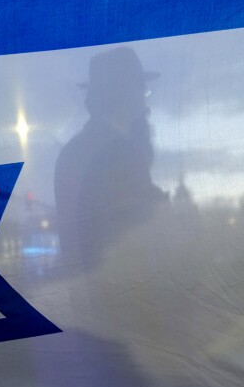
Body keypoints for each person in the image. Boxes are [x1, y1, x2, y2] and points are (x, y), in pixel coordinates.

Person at [55, 47, 167, 270]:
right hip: (120, 288)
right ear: (123, 94)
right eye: (143, 92)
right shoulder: (116, 153)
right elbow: (134, 225)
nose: (146, 104)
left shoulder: (77, 149)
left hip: (94, 289)